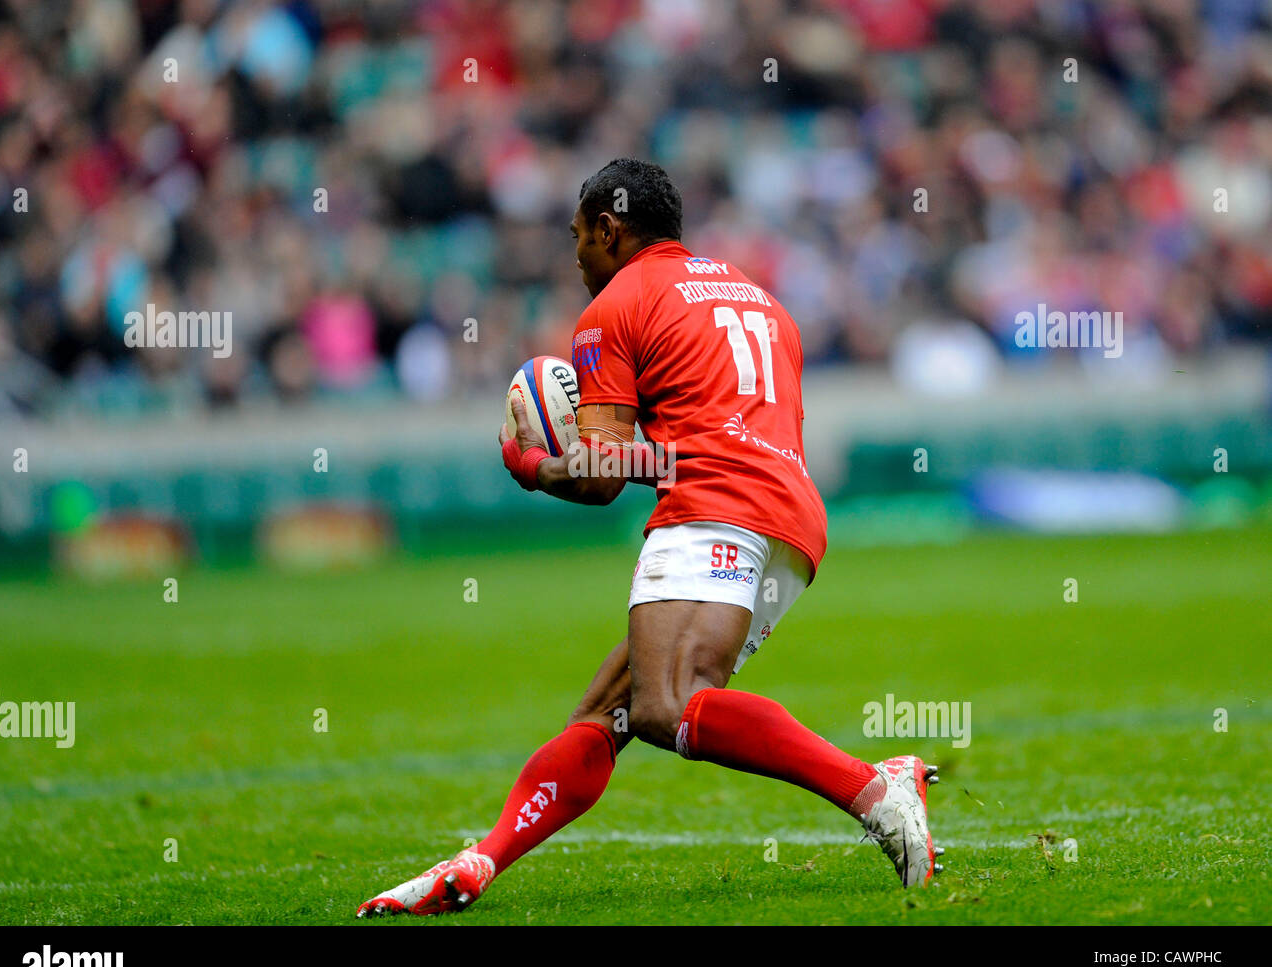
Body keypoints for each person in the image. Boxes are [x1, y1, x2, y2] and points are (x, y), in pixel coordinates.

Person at [357, 158, 942, 917]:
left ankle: (873, 788)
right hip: (791, 521)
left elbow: (599, 475)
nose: (575, 257)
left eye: (578, 237)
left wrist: (530, 464)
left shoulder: (616, 305)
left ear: (610, 226)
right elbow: (700, 441)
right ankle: (478, 861)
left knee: (668, 705)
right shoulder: (759, 299)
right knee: (609, 712)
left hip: (715, 508)